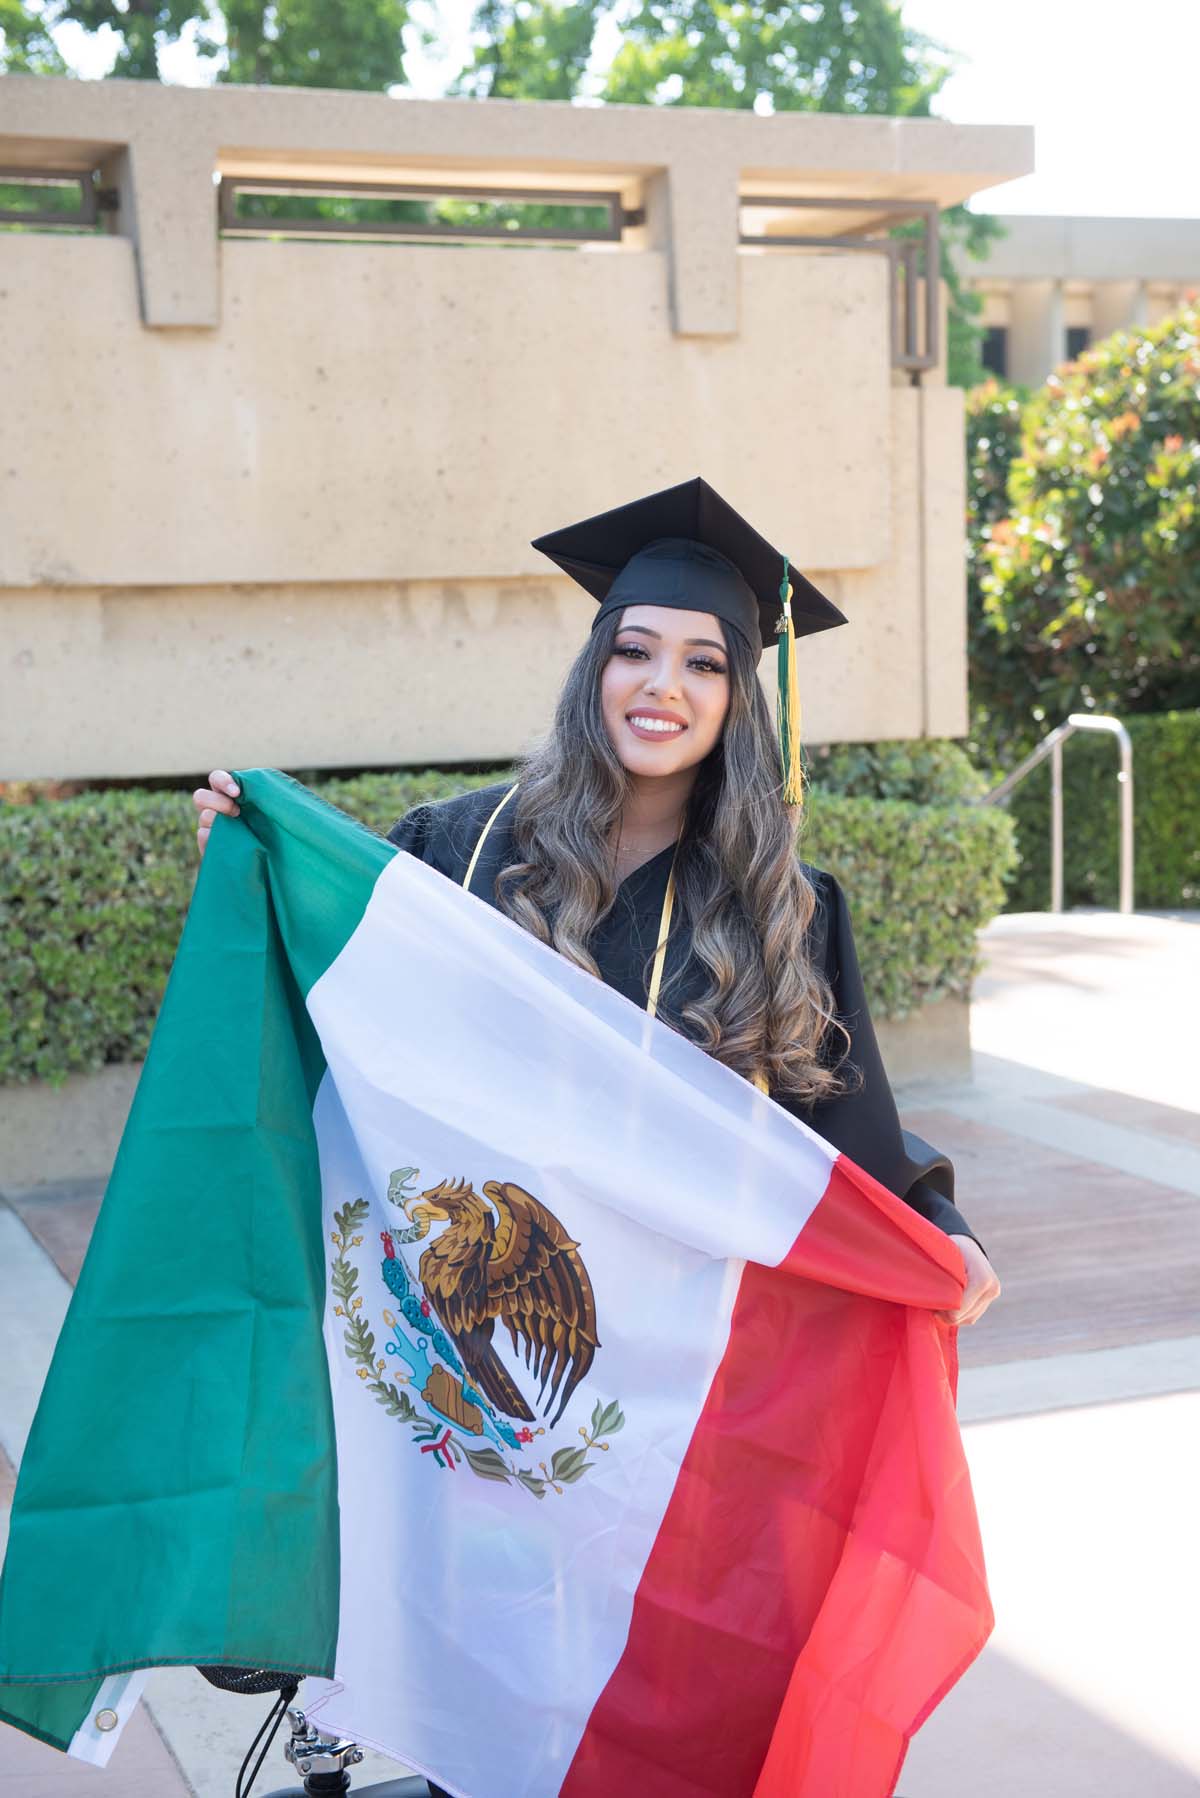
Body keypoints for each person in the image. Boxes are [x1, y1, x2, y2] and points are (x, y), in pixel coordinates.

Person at [193, 476, 998, 1337]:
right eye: (634, 651)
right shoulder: (457, 850)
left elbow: (838, 1126)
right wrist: (263, 881)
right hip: (461, 1316)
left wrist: (936, 1226)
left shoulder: (779, 907)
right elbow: (346, 1014)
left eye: (704, 663)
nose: (663, 686)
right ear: (596, 669)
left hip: (669, 1343)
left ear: (738, 702)